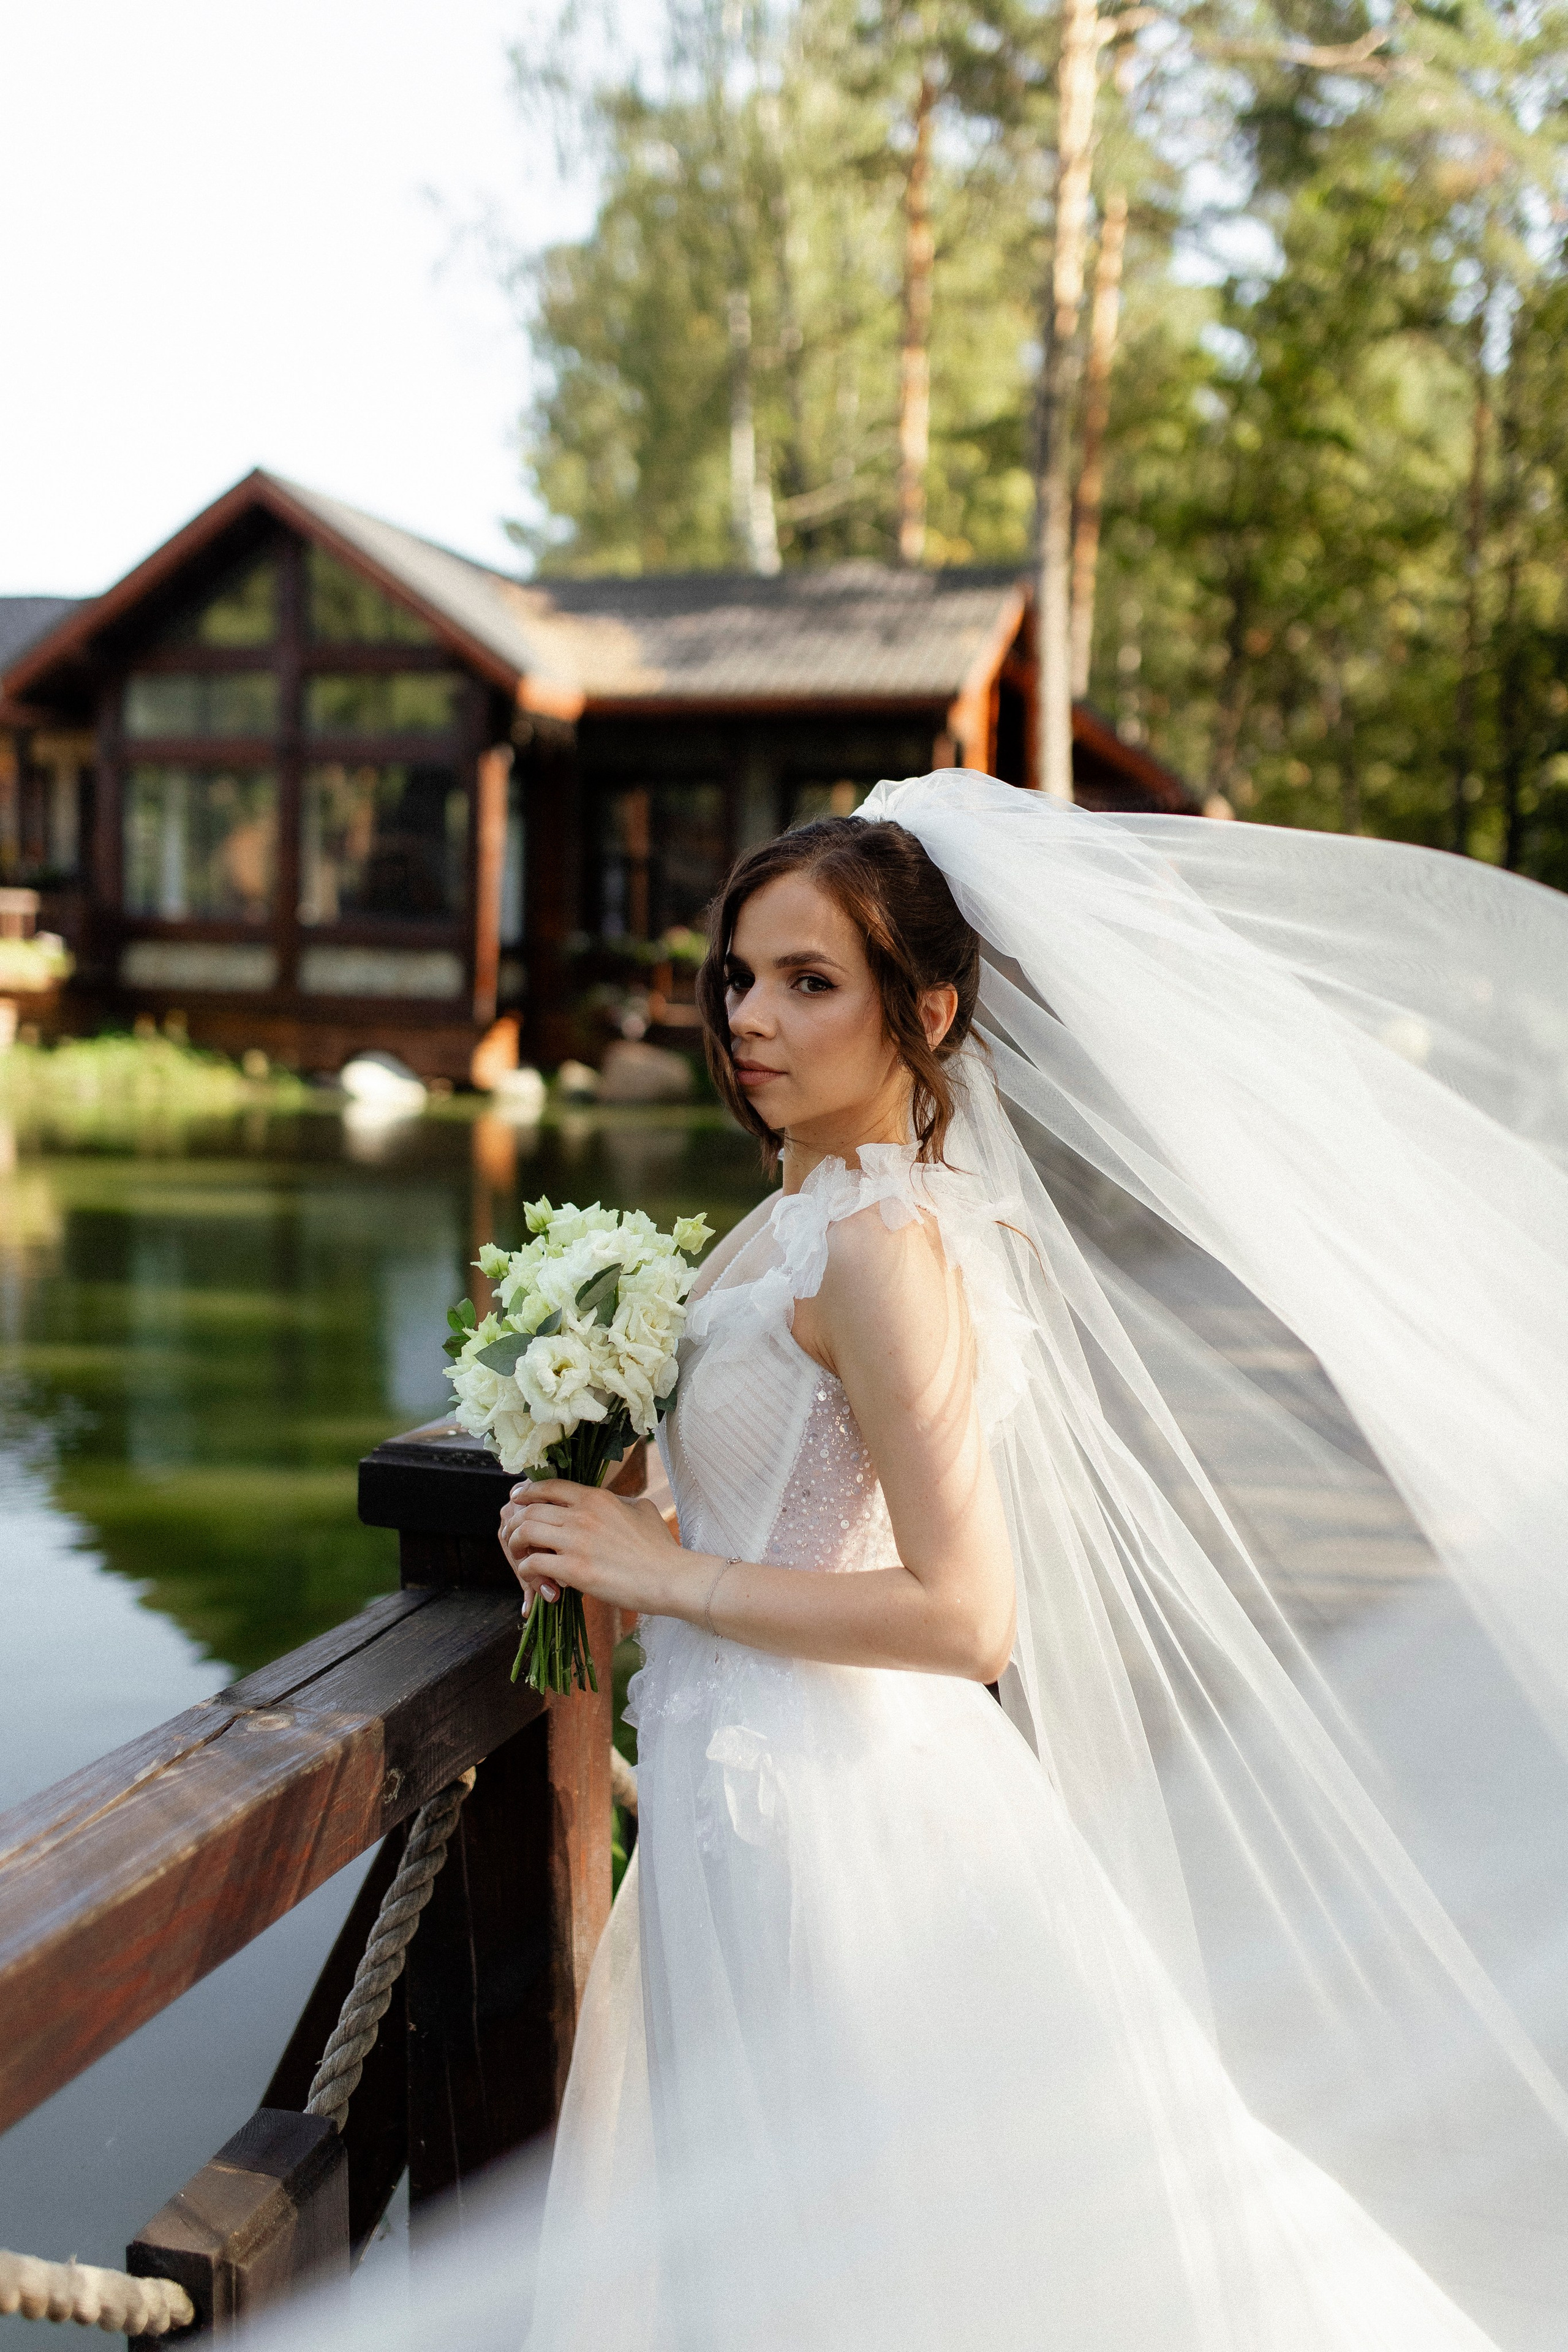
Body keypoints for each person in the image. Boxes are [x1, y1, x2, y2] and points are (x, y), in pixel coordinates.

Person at [499, 772, 1568, 2351]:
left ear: (924, 1008)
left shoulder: (880, 1250)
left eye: (810, 982)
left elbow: (967, 1611)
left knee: (880, 2253)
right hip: (747, 1791)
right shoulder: (810, 1212)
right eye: (740, 976)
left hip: (839, 1815)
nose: (752, 1017)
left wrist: (660, 1575)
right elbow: (776, 1473)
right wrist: (585, 1447)